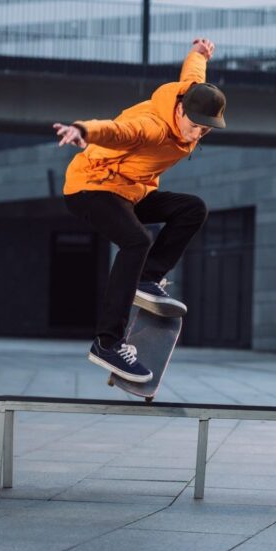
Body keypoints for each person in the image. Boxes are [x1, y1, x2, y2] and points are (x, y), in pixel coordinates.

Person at [53, 38, 225, 384]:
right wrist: (84, 130)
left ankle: (146, 278)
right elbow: (116, 131)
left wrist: (199, 53)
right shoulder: (150, 126)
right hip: (91, 187)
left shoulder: (191, 95)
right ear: (179, 111)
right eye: (194, 126)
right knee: (135, 241)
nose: (197, 134)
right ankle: (107, 343)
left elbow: (194, 73)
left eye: (205, 129)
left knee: (192, 208)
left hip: (130, 190)